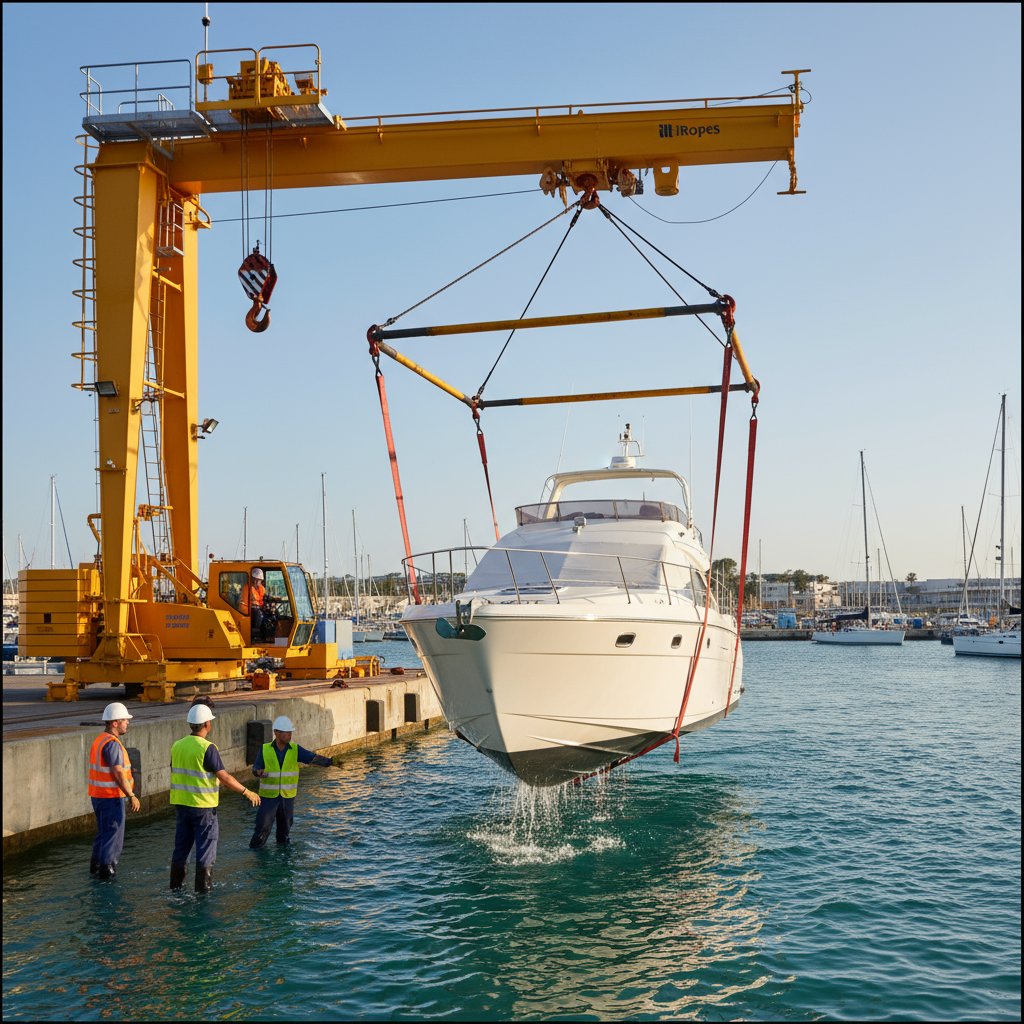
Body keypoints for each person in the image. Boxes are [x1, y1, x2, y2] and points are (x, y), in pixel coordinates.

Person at [169, 703, 260, 893]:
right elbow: (224, 777)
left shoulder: (177, 746)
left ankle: (176, 888)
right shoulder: (207, 748)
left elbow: (183, 771)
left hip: (181, 806)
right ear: (207, 724)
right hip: (203, 808)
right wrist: (247, 791)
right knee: (205, 851)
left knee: (181, 849)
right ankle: (203, 892)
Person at [249, 715, 332, 849]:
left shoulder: (295, 749)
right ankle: (256, 856)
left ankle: (283, 858)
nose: (289, 735)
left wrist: (330, 762)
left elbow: (312, 758)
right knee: (262, 829)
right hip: (269, 798)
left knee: (284, 832)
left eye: (290, 732)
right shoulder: (265, 749)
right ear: (276, 733)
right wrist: (258, 772)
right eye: (286, 732)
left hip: (287, 798)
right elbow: (255, 768)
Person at [87, 702, 141, 880]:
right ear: (115, 723)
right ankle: (107, 873)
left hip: (98, 796)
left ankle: (95, 869)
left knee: (103, 834)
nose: (128, 723)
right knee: (113, 836)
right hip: (111, 797)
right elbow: (117, 772)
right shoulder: (112, 744)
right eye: (125, 720)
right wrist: (131, 795)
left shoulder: (99, 739)